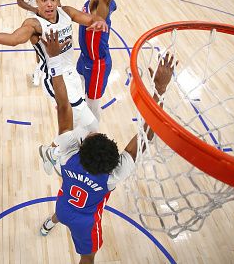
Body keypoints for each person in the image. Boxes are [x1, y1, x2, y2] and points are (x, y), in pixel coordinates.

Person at [37, 30, 175, 264]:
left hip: (65, 203)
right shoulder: (112, 176)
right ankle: (51, 223)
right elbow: (144, 137)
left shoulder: (67, 158)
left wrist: (54, 59)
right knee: (87, 258)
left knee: (62, 212)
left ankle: (50, 223)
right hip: (86, 222)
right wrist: (159, 91)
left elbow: (62, 105)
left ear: (81, 150)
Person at [0, 0, 105, 135]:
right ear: (36, 2)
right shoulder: (34, 24)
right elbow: (13, 39)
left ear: (57, 1)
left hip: (71, 73)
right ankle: (58, 153)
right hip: (53, 77)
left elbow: (91, 19)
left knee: (75, 125)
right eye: (44, 0)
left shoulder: (66, 12)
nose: (49, 4)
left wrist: (99, 20)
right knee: (92, 126)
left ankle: (63, 151)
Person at [16, 0, 65, 86]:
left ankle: (54, 69)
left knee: (53, 42)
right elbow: (19, 0)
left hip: (49, 11)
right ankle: (39, 71)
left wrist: (57, 2)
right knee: (39, 44)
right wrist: (34, 9)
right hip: (35, 12)